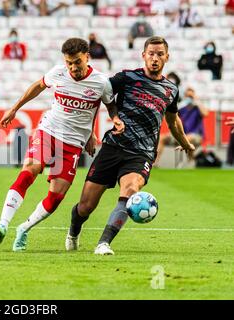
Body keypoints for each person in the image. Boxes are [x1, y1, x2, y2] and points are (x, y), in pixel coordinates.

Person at [0, 38, 124, 251]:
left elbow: (107, 105)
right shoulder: (58, 73)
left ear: (87, 57)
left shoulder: (101, 82)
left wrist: (101, 127)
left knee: (55, 198)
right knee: (29, 170)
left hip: (73, 143)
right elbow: (37, 86)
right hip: (48, 131)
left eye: (77, 62)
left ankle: (23, 228)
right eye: (69, 62)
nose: (73, 67)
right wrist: (15, 108)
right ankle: (2, 225)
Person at [65, 36, 195, 256]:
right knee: (85, 206)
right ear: (143, 55)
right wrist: (92, 131)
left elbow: (173, 120)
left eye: (160, 54)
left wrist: (186, 143)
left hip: (141, 154)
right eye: (151, 54)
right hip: (113, 146)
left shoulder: (170, 90)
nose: (155, 58)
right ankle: (73, 232)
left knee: (130, 191)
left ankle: (103, 243)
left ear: (167, 57)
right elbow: (100, 95)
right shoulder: (126, 77)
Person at [155, 87, 208, 166]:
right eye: (188, 96)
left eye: (191, 96)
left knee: (188, 139)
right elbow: (172, 117)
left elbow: (205, 113)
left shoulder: (197, 107)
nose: (189, 98)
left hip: (197, 135)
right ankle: (155, 163)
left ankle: (191, 162)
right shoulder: (182, 107)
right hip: (182, 135)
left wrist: (196, 100)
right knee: (162, 138)